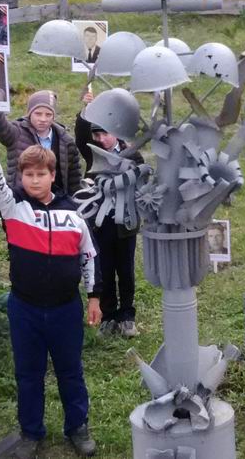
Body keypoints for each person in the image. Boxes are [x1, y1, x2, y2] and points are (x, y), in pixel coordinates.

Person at [0, 133, 101, 458]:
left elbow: (88, 255)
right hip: (25, 308)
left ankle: (78, 426)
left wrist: (94, 297)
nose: (34, 180)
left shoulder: (74, 213)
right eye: (28, 174)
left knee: (70, 371)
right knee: (28, 375)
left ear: (53, 175)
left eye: (40, 174)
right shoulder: (13, 208)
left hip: (65, 309)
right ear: (22, 176)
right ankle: (31, 432)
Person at [75, 89, 143, 338]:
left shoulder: (133, 154)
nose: (101, 139)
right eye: (97, 134)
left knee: (125, 270)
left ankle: (127, 315)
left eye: (105, 133)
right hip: (99, 223)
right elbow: (81, 137)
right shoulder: (92, 154)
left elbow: (141, 182)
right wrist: (86, 112)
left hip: (125, 222)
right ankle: (109, 314)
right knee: (104, 267)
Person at [0, 90, 82, 198]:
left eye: (48, 115)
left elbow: (74, 180)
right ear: (29, 113)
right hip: (22, 199)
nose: (43, 119)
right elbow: (0, 128)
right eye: (38, 114)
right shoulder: (16, 132)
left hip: (55, 202)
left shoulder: (66, 141)